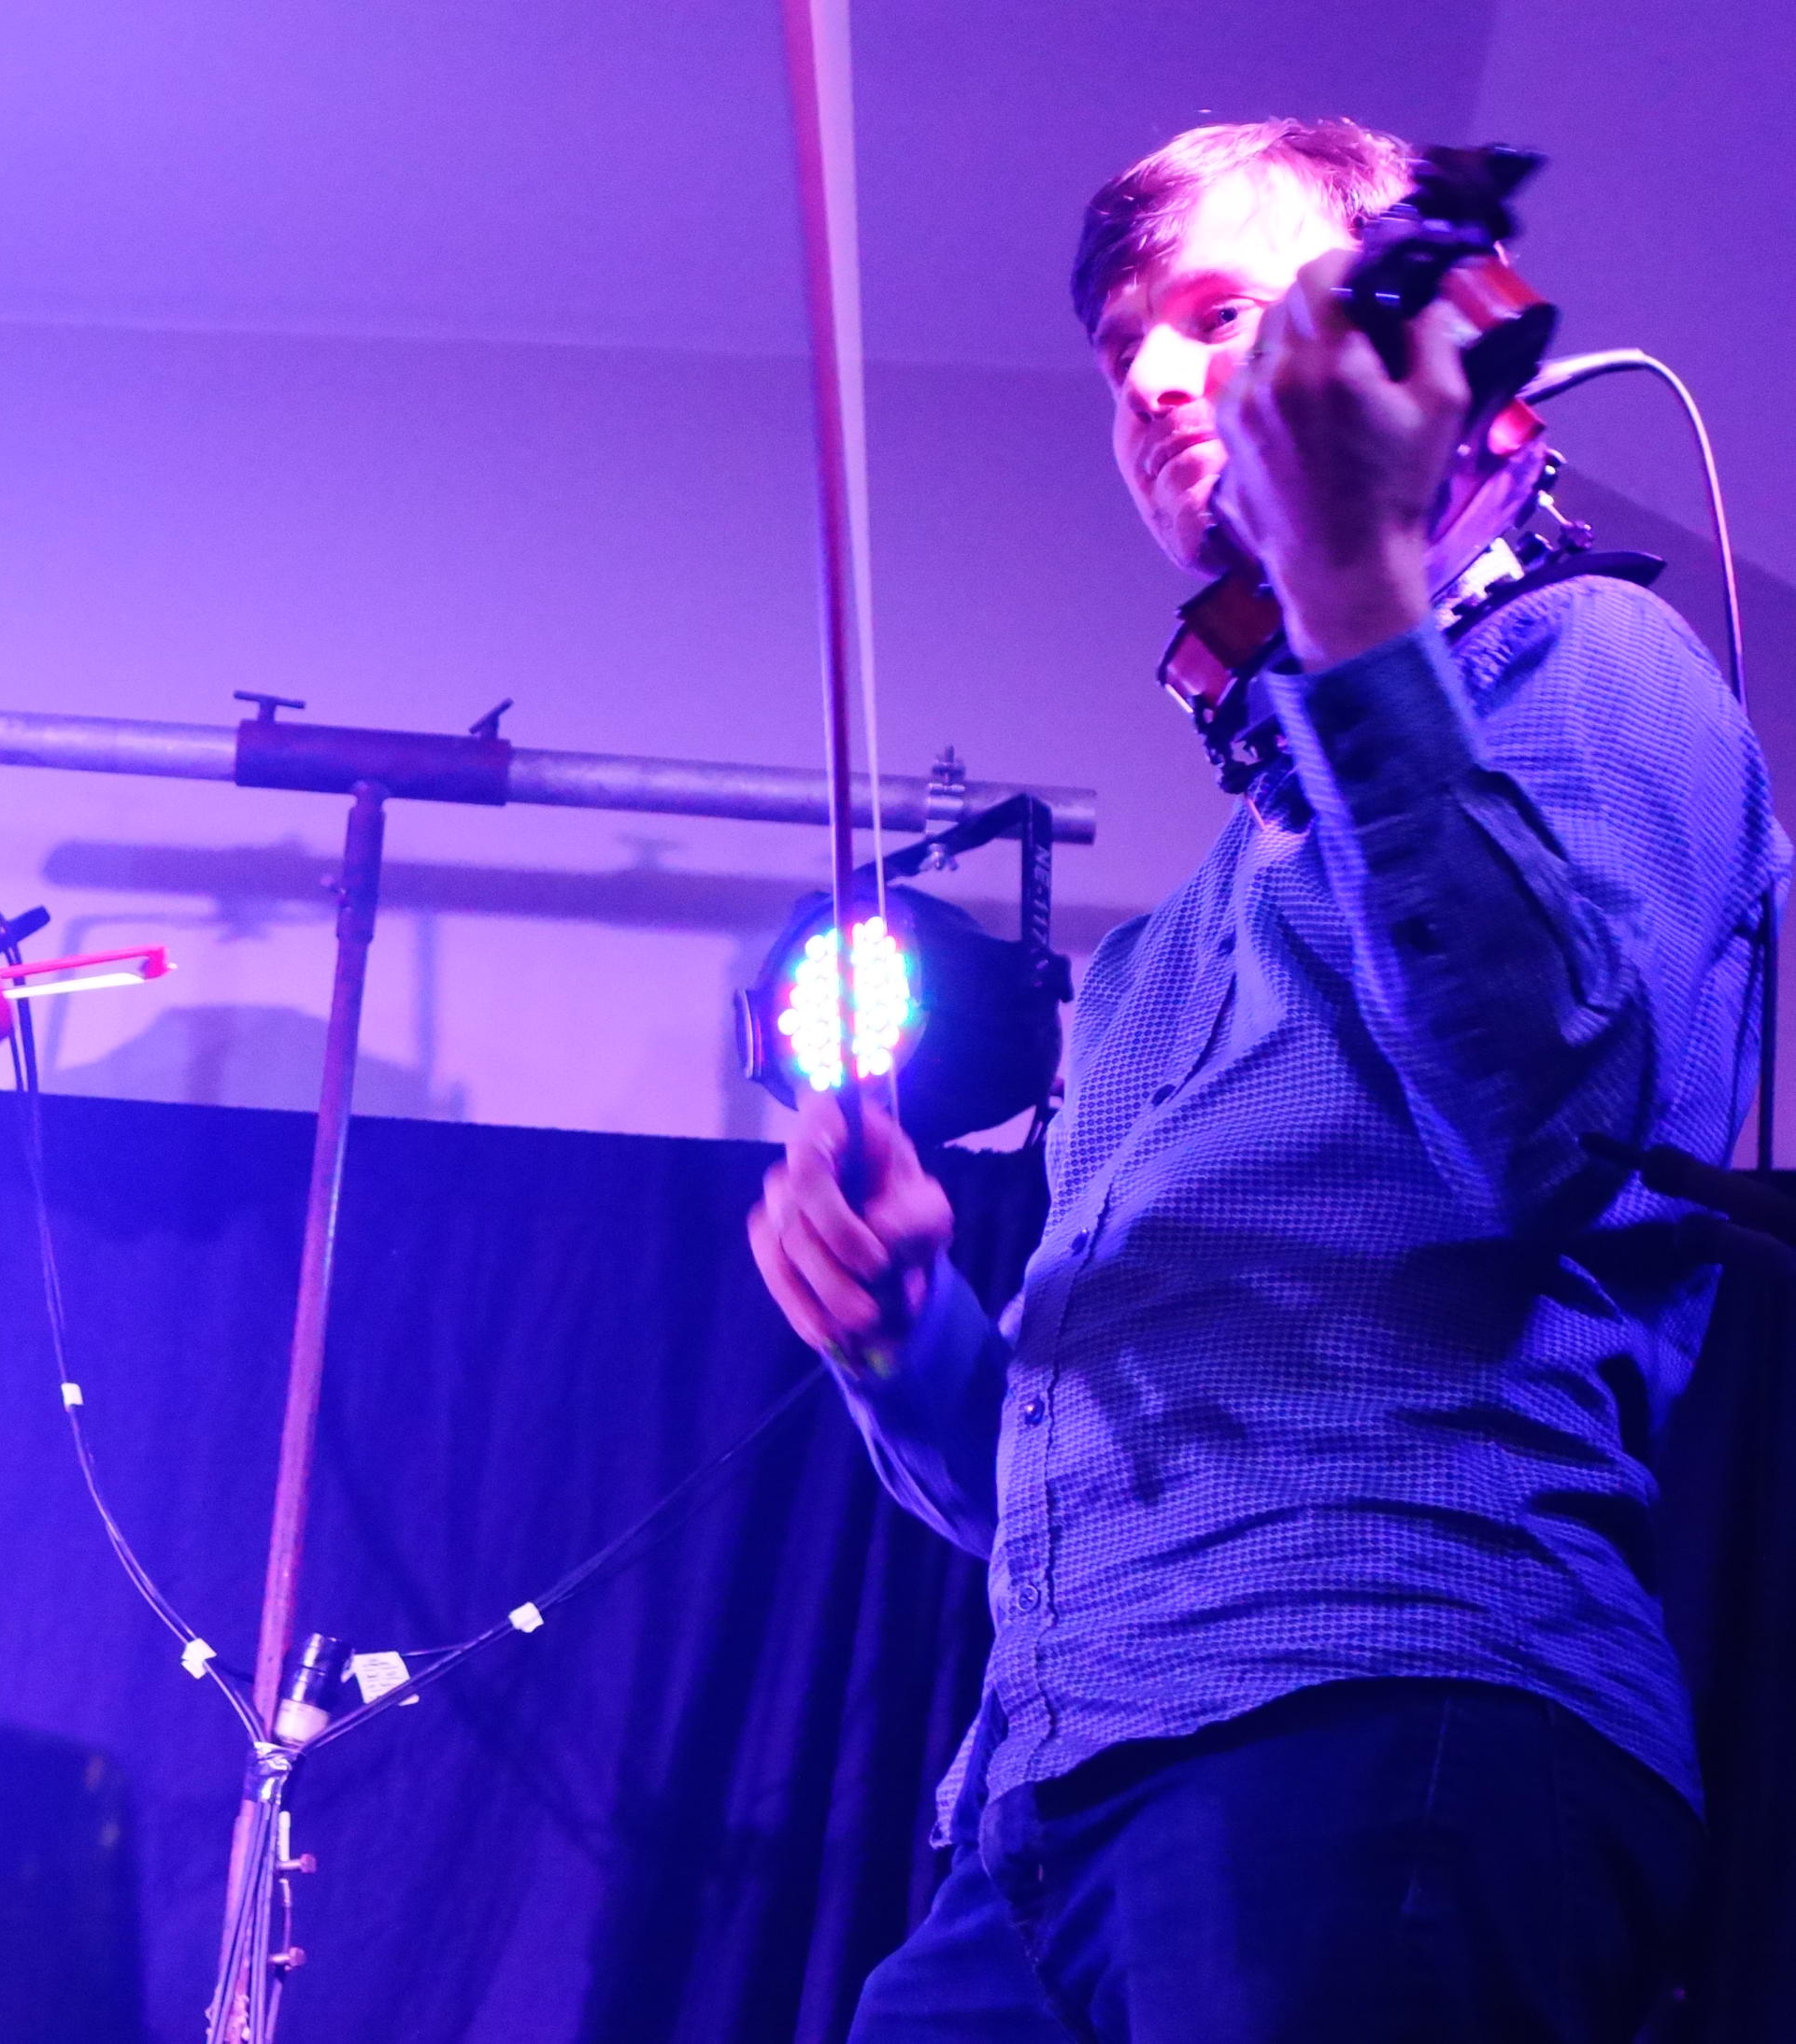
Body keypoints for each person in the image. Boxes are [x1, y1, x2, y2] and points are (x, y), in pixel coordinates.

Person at [748, 121, 1787, 2040]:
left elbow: (1553, 1117)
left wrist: (1353, 606)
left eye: (1220, 314)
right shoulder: (1160, 955)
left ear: (1419, 352)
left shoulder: (1596, 661)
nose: (1152, 377)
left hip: (1389, 1710)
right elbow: (1060, 1485)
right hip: (1041, 1811)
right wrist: (902, 1326)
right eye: (1121, 350)